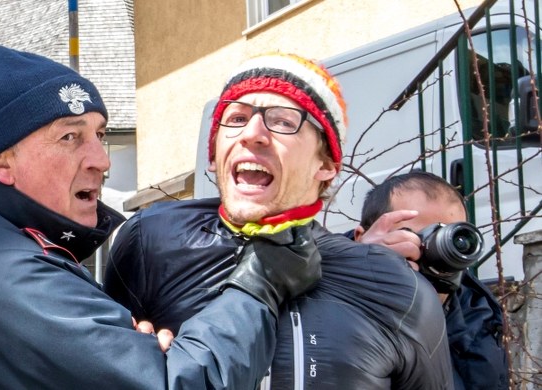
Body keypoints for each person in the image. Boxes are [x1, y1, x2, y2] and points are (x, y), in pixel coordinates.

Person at [0, 45, 322, 389]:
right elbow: (180, 383)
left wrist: (116, 348)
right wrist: (259, 284)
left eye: (100, 134)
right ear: (1, 163)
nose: (102, 160)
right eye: (70, 137)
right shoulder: (2, 276)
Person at [104, 53, 453, 388]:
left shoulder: (394, 286)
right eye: (236, 118)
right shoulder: (152, 239)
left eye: (283, 121)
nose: (252, 133)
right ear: (213, 155)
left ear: (326, 165)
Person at [353, 170, 509, 390]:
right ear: (362, 238)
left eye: (449, 236)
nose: (436, 249)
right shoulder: (324, 298)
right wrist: (359, 265)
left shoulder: (477, 318)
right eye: (415, 236)